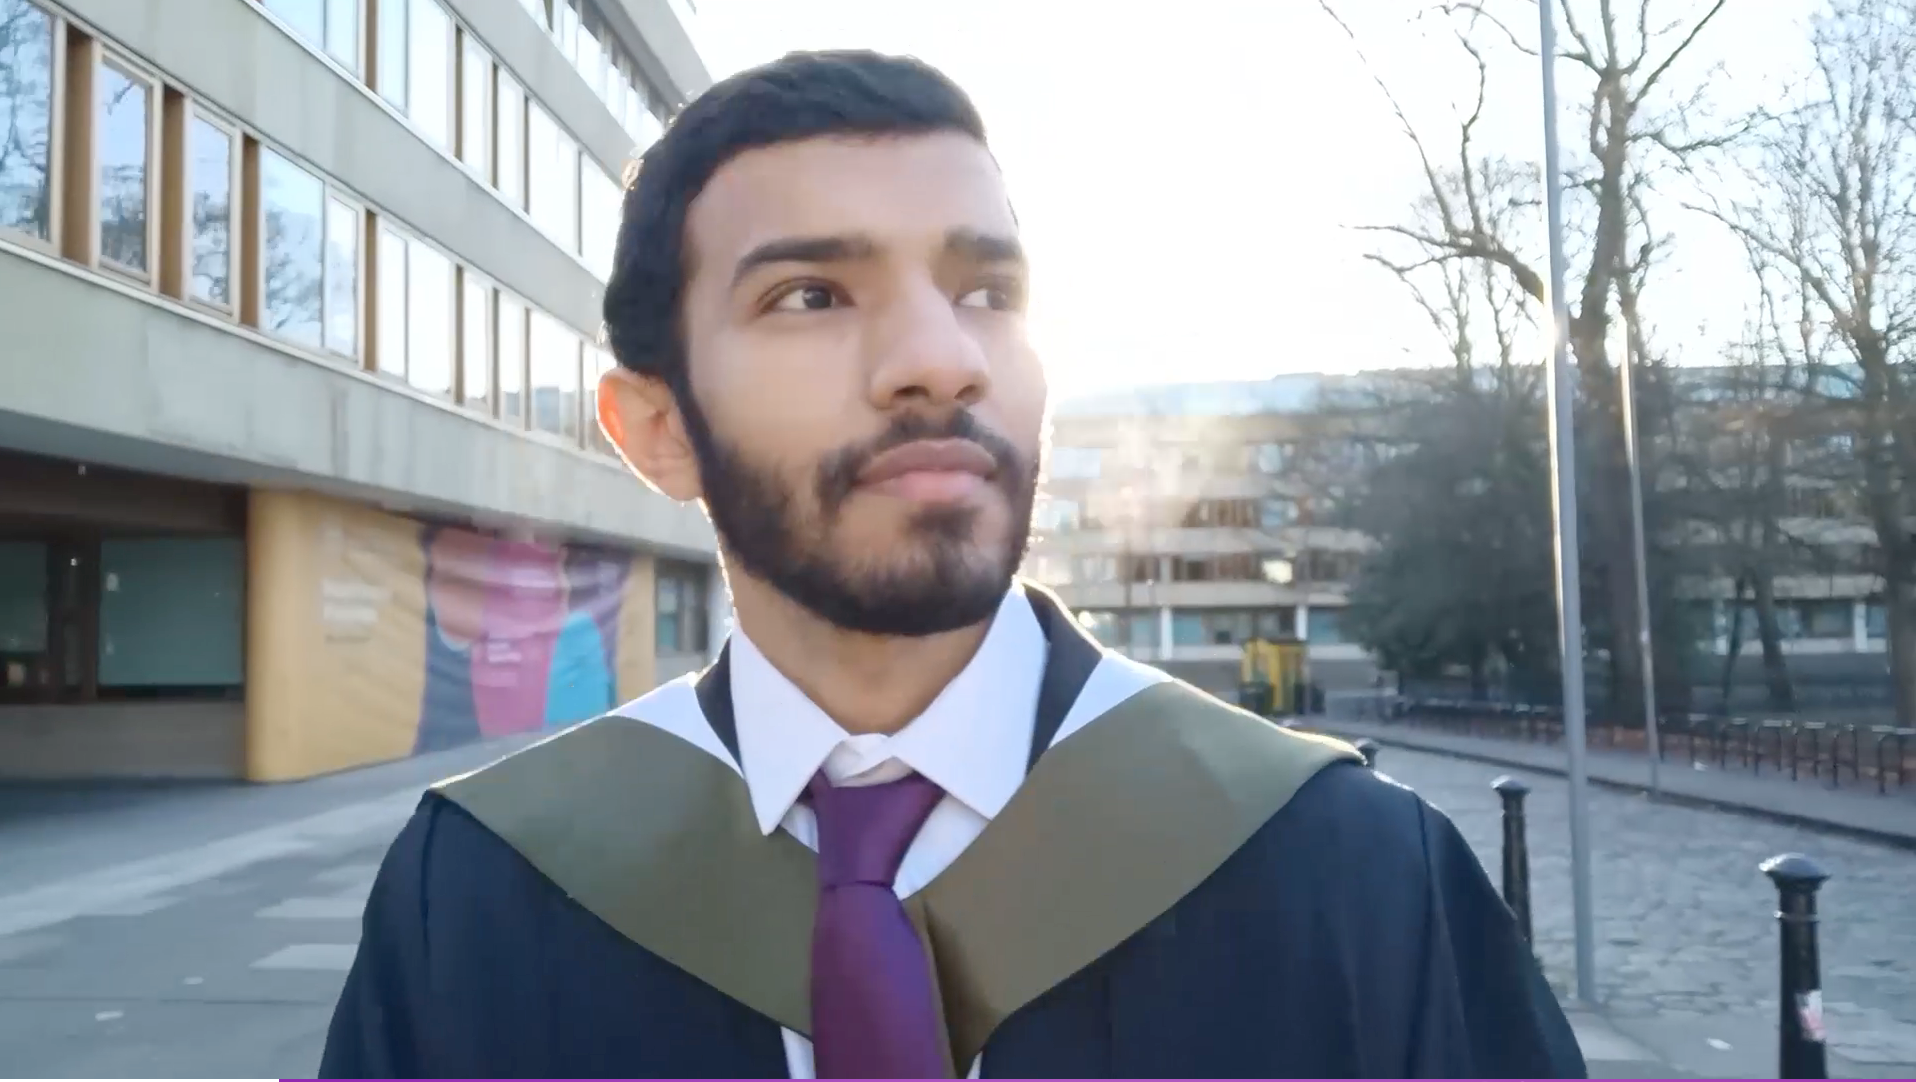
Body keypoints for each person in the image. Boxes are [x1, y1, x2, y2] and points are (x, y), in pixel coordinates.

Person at [318, 49, 1587, 1080]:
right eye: (811, 294)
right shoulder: (478, 895)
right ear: (657, 428)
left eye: (987, 291)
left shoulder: (1352, 872)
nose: (941, 357)